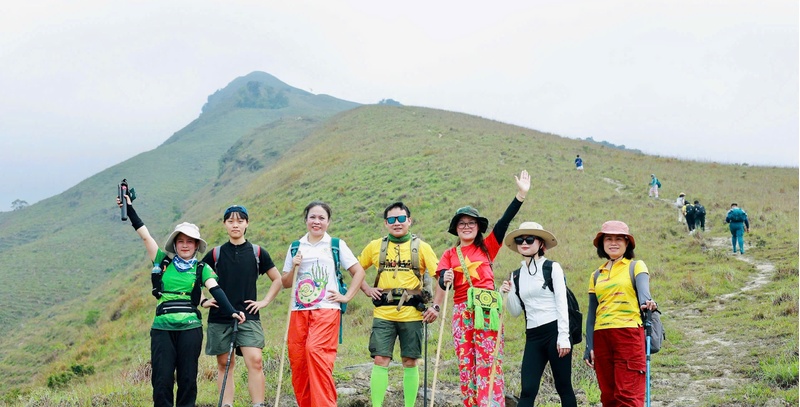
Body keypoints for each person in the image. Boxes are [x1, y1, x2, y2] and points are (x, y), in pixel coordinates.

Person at [116, 195, 245, 407]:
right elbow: (145, 236)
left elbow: (216, 288)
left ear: (196, 246)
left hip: (190, 329)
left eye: (190, 242)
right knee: (162, 379)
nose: (185, 245)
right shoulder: (162, 261)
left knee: (187, 379)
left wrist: (231, 310)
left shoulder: (202, 268)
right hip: (162, 329)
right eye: (181, 241)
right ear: (175, 244)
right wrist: (129, 209)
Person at [438, 170, 530, 407]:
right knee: (466, 361)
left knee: (488, 362)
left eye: (471, 223)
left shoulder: (488, 247)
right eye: (462, 224)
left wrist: (520, 195)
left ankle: (491, 404)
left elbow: (504, 222)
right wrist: (444, 277)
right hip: (461, 311)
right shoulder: (449, 254)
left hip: (487, 312)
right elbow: (442, 279)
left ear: (478, 227)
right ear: (456, 228)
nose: (466, 227)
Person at [280, 201, 366, 407]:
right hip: (299, 310)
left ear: (328, 222)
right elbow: (285, 282)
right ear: (306, 219)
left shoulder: (335, 245)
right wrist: (295, 266)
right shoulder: (295, 247)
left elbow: (359, 272)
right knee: (299, 361)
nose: (316, 222)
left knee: (315, 352)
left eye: (321, 218)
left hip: (327, 308)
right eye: (313, 217)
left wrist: (346, 297)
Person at [358, 202, 442, 407]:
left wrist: (436, 307)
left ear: (409, 221)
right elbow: (356, 269)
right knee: (380, 360)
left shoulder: (422, 247)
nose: (397, 223)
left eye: (401, 219)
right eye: (392, 220)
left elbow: (441, 276)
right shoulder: (374, 246)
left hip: (412, 314)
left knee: (410, 361)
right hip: (383, 314)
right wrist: (367, 289)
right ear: (386, 223)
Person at [199, 205, 284, 407]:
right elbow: (194, 279)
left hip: (249, 315)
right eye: (231, 221)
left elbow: (278, 279)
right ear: (224, 224)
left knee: (255, 361)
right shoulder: (215, 254)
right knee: (224, 364)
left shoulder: (258, 253)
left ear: (247, 223)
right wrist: (202, 300)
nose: (235, 225)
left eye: (239, 221)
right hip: (220, 317)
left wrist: (264, 302)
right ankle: (226, 405)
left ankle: (258, 404)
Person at [499, 222, 577, 407]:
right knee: (528, 389)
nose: (524, 243)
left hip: (555, 332)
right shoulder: (516, 275)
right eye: (520, 240)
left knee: (563, 386)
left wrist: (564, 337)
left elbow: (561, 303)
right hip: (533, 335)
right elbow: (516, 311)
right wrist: (506, 293)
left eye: (529, 239)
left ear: (541, 243)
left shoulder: (552, 267)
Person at [583, 221, 658, 407]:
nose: (613, 243)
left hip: (628, 333)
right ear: (602, 244)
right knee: (608, 396)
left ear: (627, 243)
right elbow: (592, 313)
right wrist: (589, 345)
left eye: (619, 239)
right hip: (601, 336)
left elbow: (644, 294)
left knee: (628, 394)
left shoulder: (636, 266)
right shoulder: (596, 275)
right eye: (608, 239)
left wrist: (647, 304)